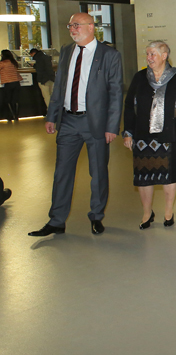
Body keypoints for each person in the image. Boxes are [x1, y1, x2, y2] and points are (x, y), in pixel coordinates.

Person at [29, 13, 123, 237]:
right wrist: (51, 116)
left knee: (98, 172)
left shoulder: (109, 55)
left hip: (95, 122)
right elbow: (59, 86)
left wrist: (112, 126)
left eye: (77, 25)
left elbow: (116, 92)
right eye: (70, 25)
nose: (72, 29)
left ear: (91, 27)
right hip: (68, 121)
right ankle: (56, 220)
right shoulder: (67, 51)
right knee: (62, 172)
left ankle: (96, 216)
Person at [122, 41, 176, 229]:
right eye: (147, 54)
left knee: (170, 175)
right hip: (142, 136)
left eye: (153, 54)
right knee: (144, 177)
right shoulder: (140, 77)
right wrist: (128, 132)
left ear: (164, 56)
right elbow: (129, 106)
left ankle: (168, 211)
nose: (149, 58)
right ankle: (147, 212)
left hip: (171, 135)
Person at [0, 50, 22, 121]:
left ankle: (11, 116)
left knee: (8, 100)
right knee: (15, 100)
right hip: (16, 82)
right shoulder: (13, 62)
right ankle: (16, 116)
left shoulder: (2, 63)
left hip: (8, 83)